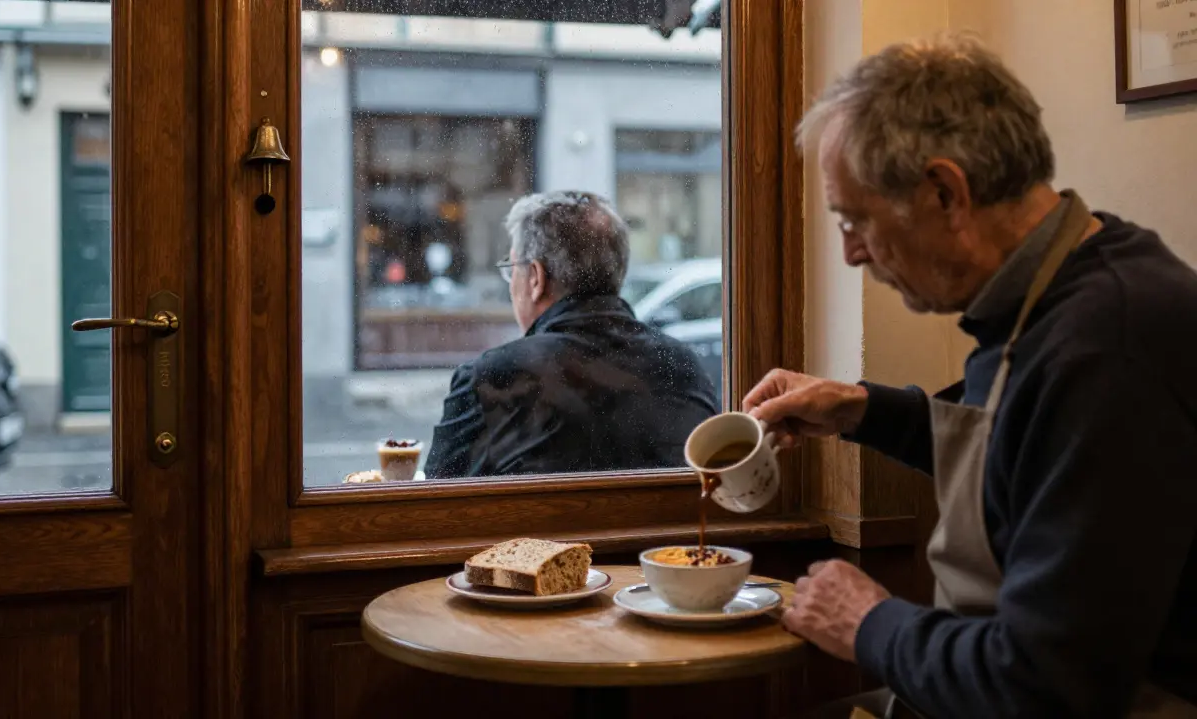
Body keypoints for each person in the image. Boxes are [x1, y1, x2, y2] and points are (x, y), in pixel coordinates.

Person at [744, 35, 1197, 718]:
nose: (850, 252)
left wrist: (869, 622)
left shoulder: (1108, 348)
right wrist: (862, 409)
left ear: (945, 192)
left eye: (855, 219)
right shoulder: (1062, 285)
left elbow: (1047, 685)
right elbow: (1030, 460)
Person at [424, 190, 719, 479]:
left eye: (512, 269)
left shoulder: (491, 380)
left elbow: (433, 512)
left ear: (536, 279)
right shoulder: (683, 368)